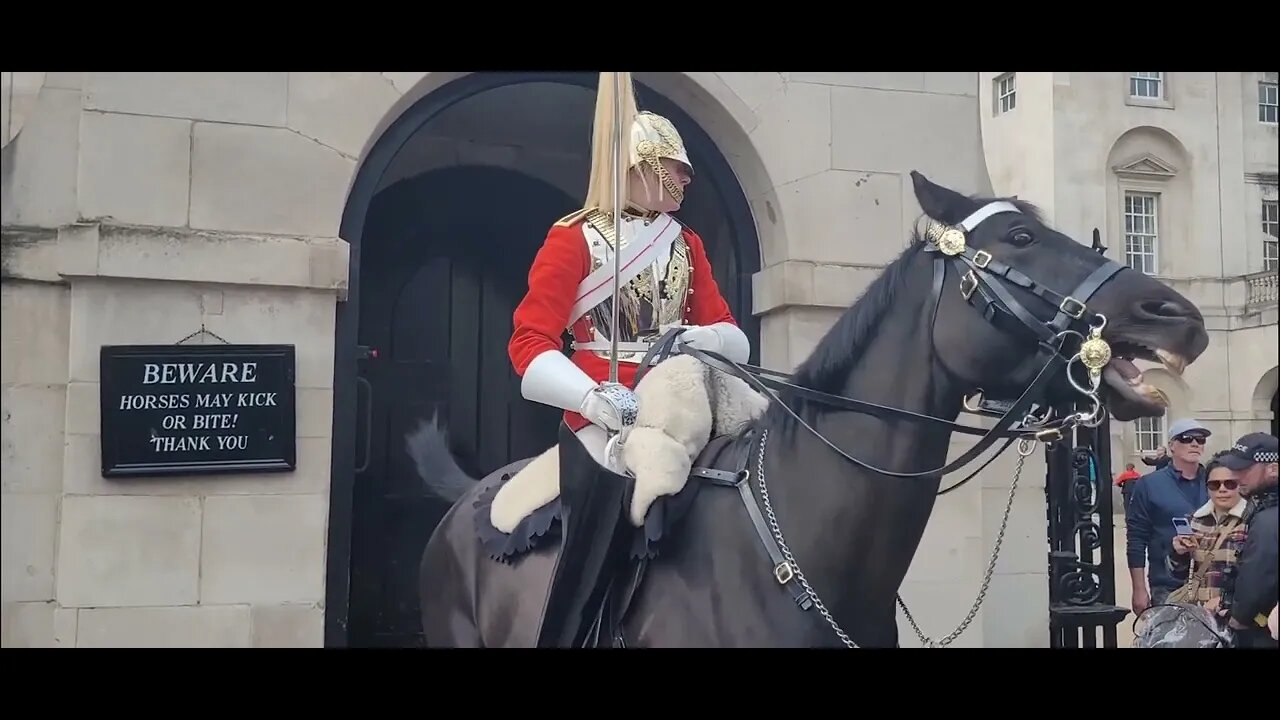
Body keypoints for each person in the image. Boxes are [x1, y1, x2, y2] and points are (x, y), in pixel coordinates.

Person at [506, 72, 750, 647]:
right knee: (599, 516)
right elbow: (529, 342)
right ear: (637, 166)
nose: (686, 178)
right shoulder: (574, 238)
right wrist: (592, 397)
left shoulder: (685, 243)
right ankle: (577, 628)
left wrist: (699, 339)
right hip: (605, 407)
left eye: (687, 168)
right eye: (675, 166)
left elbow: (731, 334)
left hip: (685, 393)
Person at [1126, 418, 1211, 617]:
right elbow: (1136, 539)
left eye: (1200, 440)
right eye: (1187, 438)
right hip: (1167, 583)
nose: (1195, 444)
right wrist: (1138, 589)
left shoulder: (1216, 482)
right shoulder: (1149, 484)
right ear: (1172, 445)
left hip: (1211, 583)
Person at [1164, 452, 1248, 612]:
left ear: (1241, 484)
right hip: (1199, 616)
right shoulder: (1195, 521)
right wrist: (1178, 553)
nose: (1222, 490)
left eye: (1230, 484)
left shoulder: (1253, 521)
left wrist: (1225, 600)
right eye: (1214, 485)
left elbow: (1260, 577)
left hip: (1237, 616)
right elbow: (1176, 575)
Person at [1217, 432, 1278, 648]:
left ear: (1273, 468)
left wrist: (1239, 616)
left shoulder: (1269, 519)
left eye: (1244, 469)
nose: (1236, 476)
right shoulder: (1265, 509)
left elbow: (1259, 572)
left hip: (1264, 631)